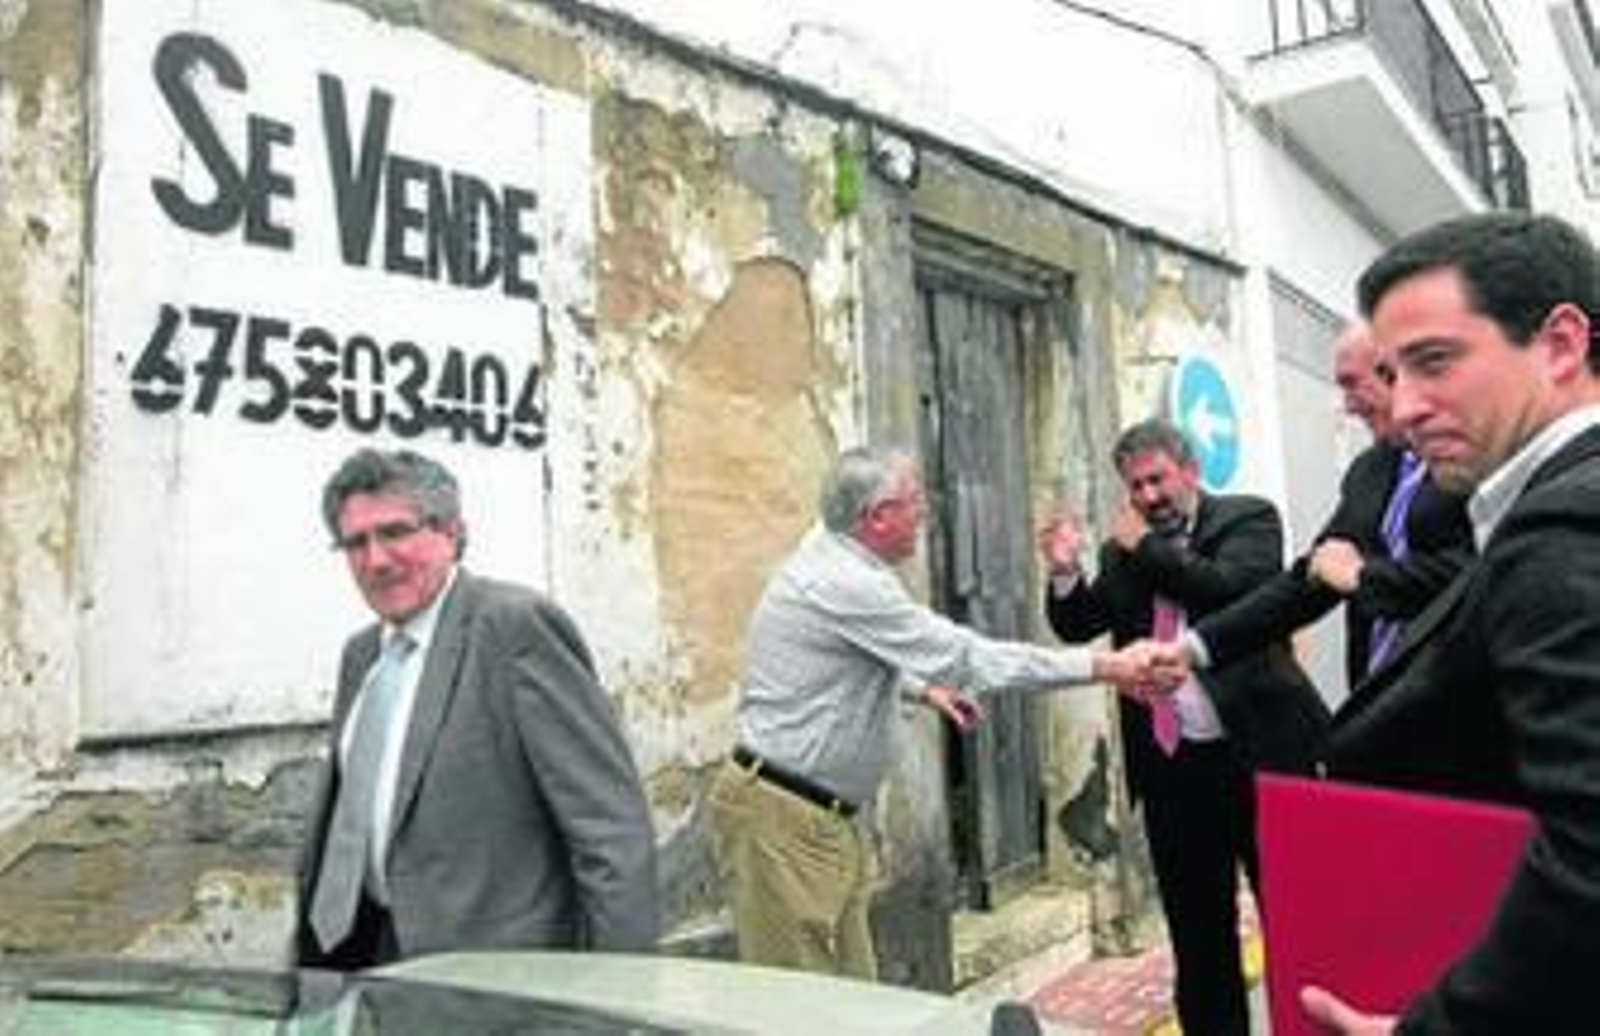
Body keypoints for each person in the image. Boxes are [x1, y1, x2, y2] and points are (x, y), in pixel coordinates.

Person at [1296, 214, 1600, 1034]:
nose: (1405, 407)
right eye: (1392, 374)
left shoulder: (1565, 528)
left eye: (1435, 362)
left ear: (1561, 344)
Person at [708, 445, 1168, 980]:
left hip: (817, 819)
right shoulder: (848, 582)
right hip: (783, 821)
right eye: (913, 501)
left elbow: (842, 656)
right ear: (877, 517)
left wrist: (923, 690)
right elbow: (969, 658)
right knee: (799, 1010)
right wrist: (1105, 666)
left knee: (850, 999)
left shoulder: (836, 552)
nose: (925, 513)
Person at [296, 448, 658, 969]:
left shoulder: (515, 629)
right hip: (372, 954)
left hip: (498, 978)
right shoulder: (361, 655)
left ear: (450, 533)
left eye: (395, 532)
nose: (375, 559)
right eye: (355, 542)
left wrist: (618, 996)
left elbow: (609, 830)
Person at [1040, 417, 1329, 1036]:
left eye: (1157, 480)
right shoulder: (1127, 548)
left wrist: (1144, 547)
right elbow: (1082, 622)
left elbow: (1227, 592)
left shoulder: (1249, 519)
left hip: (1262, 760)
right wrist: (1066, 572)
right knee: (1199, 939)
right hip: (1174, 770)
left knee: (1295, 921)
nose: (1147, 497)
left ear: (1191, 471)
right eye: (1134, 486)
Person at [1184, 323, 1472, 696]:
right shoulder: (1369, 470)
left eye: (1353, 382)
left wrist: (1363, 576)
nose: (1348, 405)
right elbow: (1313, 578)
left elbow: (1474, 575)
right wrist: (1194, 647)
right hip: (1379, 708)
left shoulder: (1474, 460)